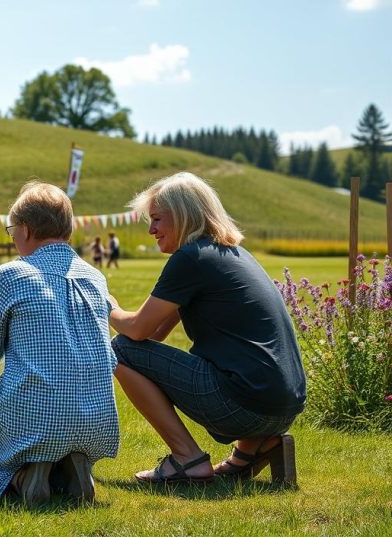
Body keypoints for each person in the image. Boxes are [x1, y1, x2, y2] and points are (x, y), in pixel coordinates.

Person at [108, 172, 305, 485]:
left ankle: (187, 457)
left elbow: (136, 331)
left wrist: (108, 306)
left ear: (184, 215)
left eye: (157, 219)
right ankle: (250, 451)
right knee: (128, 350)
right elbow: (149, 340)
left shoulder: (192, 258)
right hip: (284, 409)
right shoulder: (236, 254)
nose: (151, 230)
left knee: (115, 350)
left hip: (244, 407)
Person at [0, 181, 119, 504]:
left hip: (37, 420)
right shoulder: (96, 278)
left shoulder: (10, 275)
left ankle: (17, 479)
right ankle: (70, 467)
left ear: (27, 230)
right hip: (98, 420)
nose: (13, 238)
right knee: (49, 408)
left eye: (12, 230)